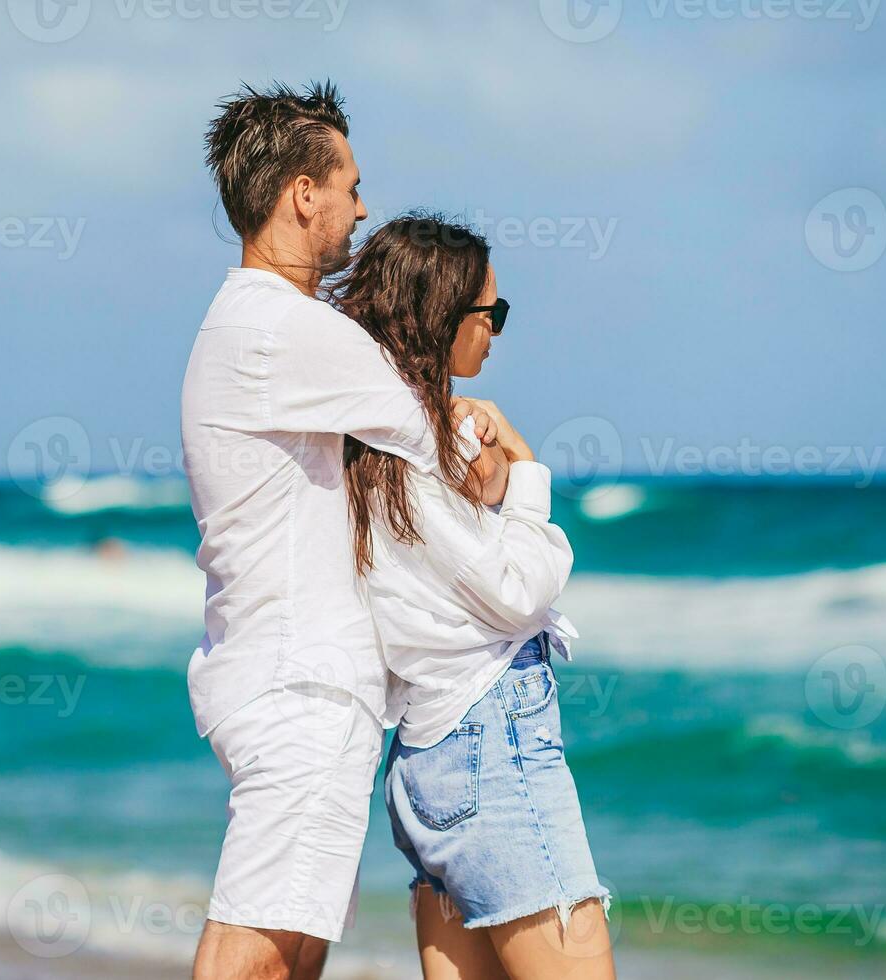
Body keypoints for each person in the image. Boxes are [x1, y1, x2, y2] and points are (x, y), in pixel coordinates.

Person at [182, 83, 501, 980]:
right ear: (302, 193)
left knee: (290, 952)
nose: (364, 208)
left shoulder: (255, 324)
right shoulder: (286, 331)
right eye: (351, 186)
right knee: (257, 956)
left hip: (285, 676)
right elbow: (438, 442)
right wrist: (500, 439)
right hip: (302, 688)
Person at [335, 214, 616, 979]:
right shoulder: (417, 454)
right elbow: (520, 590)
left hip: (425, 756)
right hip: (490, 739)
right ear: (442, 317)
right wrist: (526, 471)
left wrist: (486, 479)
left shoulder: (362, 447)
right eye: (490, 313)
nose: (496, 330)